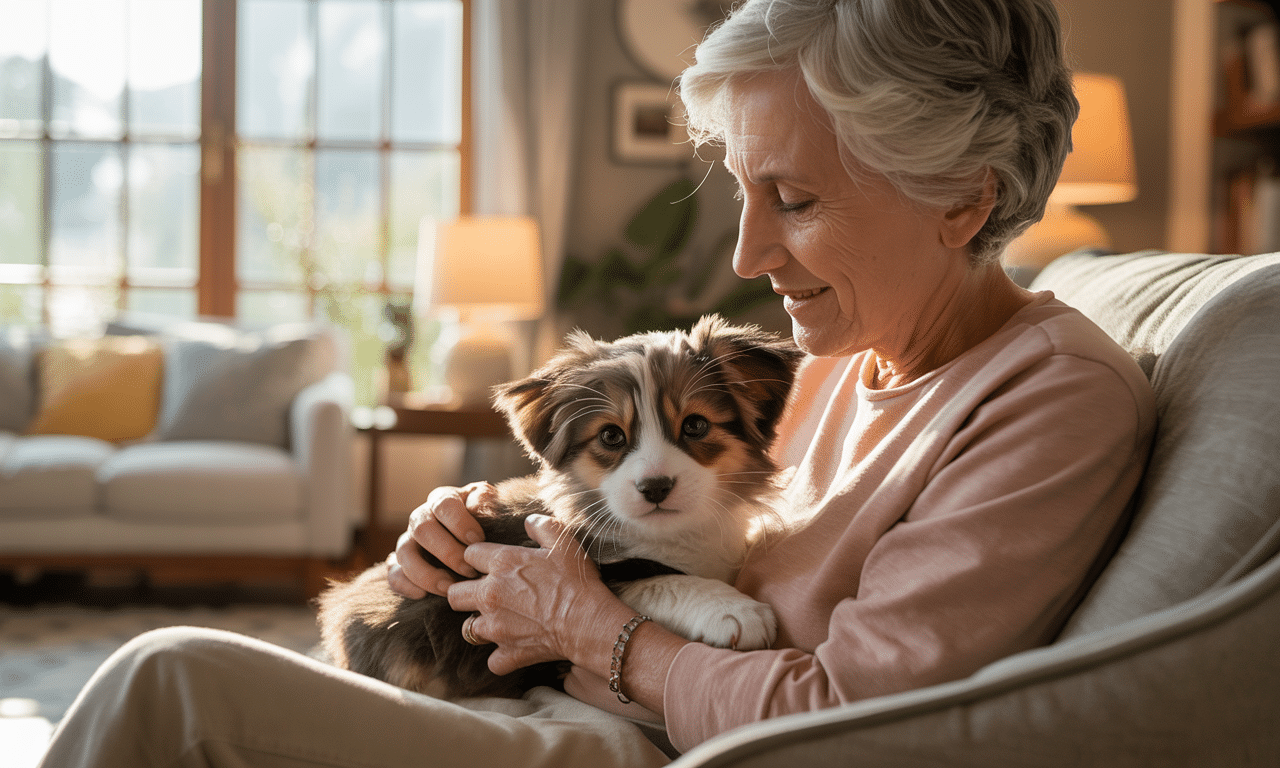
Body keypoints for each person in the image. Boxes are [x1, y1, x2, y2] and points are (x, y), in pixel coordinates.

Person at [36, 1, 1155, 766]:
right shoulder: (829, 364)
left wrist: (588, 628)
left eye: (797, 200)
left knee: (170, 681)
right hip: (566, 692)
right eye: (745, 194)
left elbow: (843, 724)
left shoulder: (1047, 401)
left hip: (634, 738)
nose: (746, 254)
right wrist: (467, 541)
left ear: (961, 196)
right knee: (178, 680)